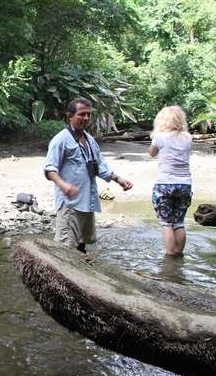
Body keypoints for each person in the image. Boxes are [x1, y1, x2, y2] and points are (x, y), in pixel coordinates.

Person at [43, 98, 133, 254]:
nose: (86, 118)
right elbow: (49, 169)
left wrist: (118, 179)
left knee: (84, 246)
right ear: (69, 116)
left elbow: (100, 166)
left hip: (88, 202)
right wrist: (64, 186)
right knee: (65, 248)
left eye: (88, 115)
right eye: (81, 114)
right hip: (70, 205)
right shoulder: (60, 140)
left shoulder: (90, 140)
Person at [148, 105, 193, 257]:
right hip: (185, 184)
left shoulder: (160, 137)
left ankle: (170, 256)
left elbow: (151, 153)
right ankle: (179, 254)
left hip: (165, 184)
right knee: (179, 222)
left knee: (166, 222)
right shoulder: (187, 137)